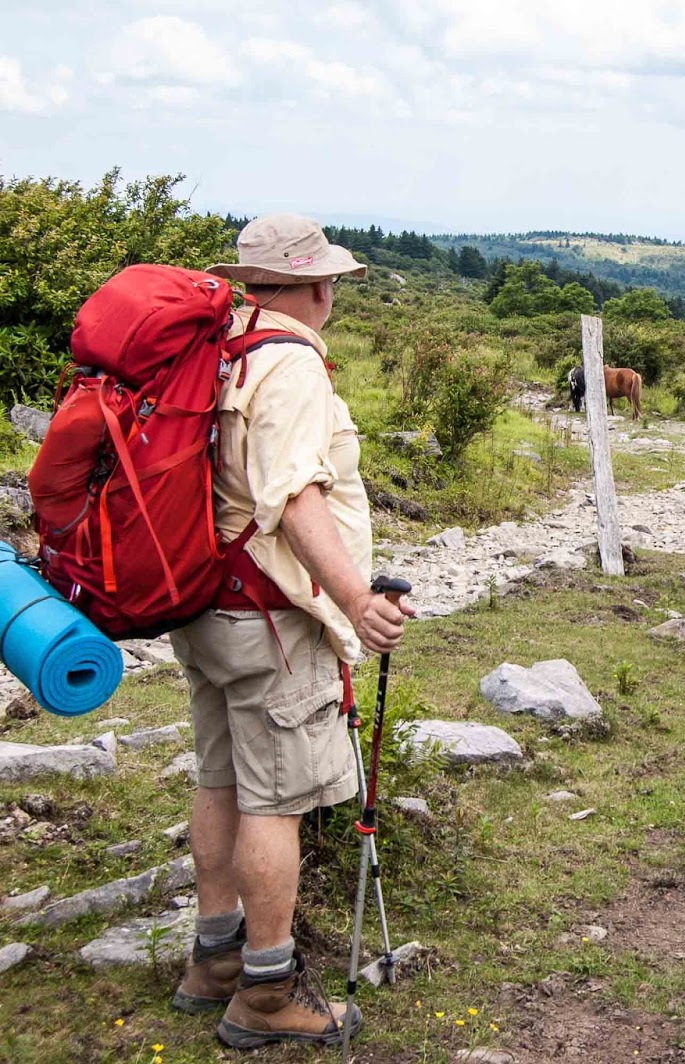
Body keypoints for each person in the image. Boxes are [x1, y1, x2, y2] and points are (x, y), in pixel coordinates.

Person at [168, 214, 414, 1048]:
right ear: (318, 285)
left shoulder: (217, 343)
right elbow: (294, 497)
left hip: (203, 605)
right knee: (277, 801)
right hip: (270, 616)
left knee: (221, 781)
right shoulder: (291, 364)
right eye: (332, 283)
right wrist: (354, 600)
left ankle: (215, 959)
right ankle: (267, 992)